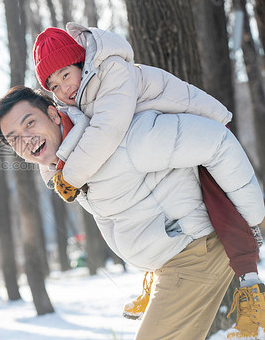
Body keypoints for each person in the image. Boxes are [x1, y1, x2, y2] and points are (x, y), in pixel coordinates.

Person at [32, 24, 264, 331]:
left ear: (82, 63)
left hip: (201, 126)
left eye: (65, 75)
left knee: (221, 206)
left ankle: (252, 283)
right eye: (55, 86)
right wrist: (55, 165)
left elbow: (107, 131)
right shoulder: (87, 97)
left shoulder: (111, 73)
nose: (64, 88)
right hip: (173, 142)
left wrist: (71, 175)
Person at [0, 86, 265, 340]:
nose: (27, 140)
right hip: (170, 262)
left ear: (53, 114)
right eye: (14, 139)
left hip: (192, 251)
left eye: (30, 123)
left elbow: (215, 140)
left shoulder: (119, 138)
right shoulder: (66, 169)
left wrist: (253, 218)